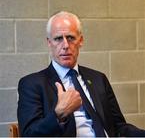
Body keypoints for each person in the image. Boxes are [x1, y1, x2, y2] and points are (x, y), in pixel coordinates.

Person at [17, 11, 145, 137]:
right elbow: (29, 134)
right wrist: (59, 113)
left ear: (81, 41)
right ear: (49, 43)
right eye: (58, 39)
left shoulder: (98, 78)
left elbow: (119, 127)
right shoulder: (32, 84)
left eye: (71, 38)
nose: (65, 45)